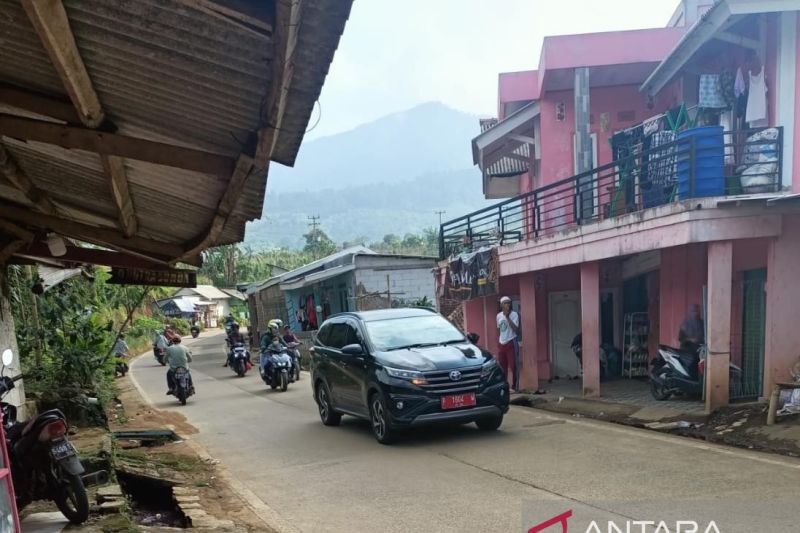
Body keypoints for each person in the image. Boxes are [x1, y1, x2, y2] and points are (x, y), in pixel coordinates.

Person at [496, 296, 520, 391]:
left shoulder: (514, 314)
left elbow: (516, 330)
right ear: (501, 305)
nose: (508, 305)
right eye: (505, 303)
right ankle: (504, 386)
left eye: (509, 303)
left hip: (511, 342)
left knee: (514, 366)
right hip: (502, 343)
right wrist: (500, 340)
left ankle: (515, 387)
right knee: (502, 367)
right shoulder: (498, 316)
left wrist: (507, 317)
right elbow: (499, 330)